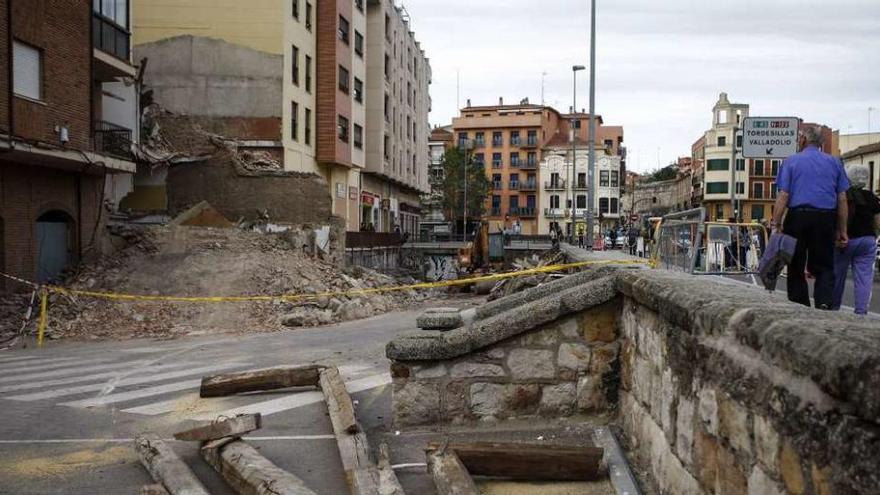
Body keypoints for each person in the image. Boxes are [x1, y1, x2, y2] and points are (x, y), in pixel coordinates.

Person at [770, 125, 850, 309]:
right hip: (825, 218)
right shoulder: (835, 163)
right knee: (824, 265)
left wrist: (776, 224)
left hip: (798, 217)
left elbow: (783, 196)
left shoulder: (791, 162)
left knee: (796, 264)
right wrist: (842, 230)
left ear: (804, 140)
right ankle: (823, 303)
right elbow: (842, 199)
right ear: (821, 143)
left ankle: (800, 305)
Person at [832, 163, 880, 314]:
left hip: (845, 240)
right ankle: (861, 311)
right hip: (867, 240)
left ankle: (833, 307)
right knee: (864, 278)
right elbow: (878, 221)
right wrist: (875, 236)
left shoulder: (842, 195)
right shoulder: (872, 197)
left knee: (837, 275)